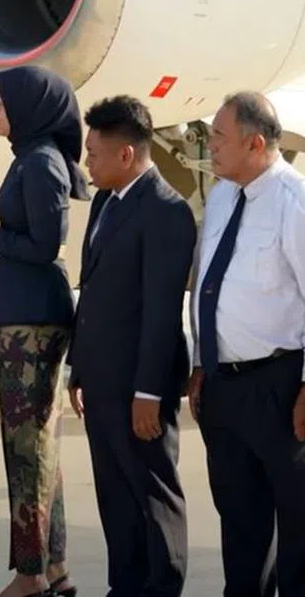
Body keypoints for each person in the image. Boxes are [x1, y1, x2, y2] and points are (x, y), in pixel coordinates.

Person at [0, 65, 86, 597]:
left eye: (1, 102)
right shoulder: (31, 160)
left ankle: (32, 574)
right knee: (33, 448)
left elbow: (46, 248)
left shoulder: (42, 163)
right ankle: (53, 569)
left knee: (27, 449)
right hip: (20, 313)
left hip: (34, 323)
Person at [69, 95, 194, 597]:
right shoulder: (106, 201)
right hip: (101, 381)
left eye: (94, 153)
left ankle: (161, 587)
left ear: (126, 155)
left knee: (152, 497)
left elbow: (162, 311)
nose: (87, 164)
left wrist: (148, 391)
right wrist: (79, 368)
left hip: (138, 387)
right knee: (116, 499)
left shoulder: (166, 211)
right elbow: (94, 290)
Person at [187, 92, 305, 597]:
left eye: (219, 137)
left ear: (255, 143)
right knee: (240, 523)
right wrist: (198, 363)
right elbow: (206, 284)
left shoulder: (292, 202)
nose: (209, 146)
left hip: (279, 387)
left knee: (298, 526)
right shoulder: (221, 197)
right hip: (223, 388)